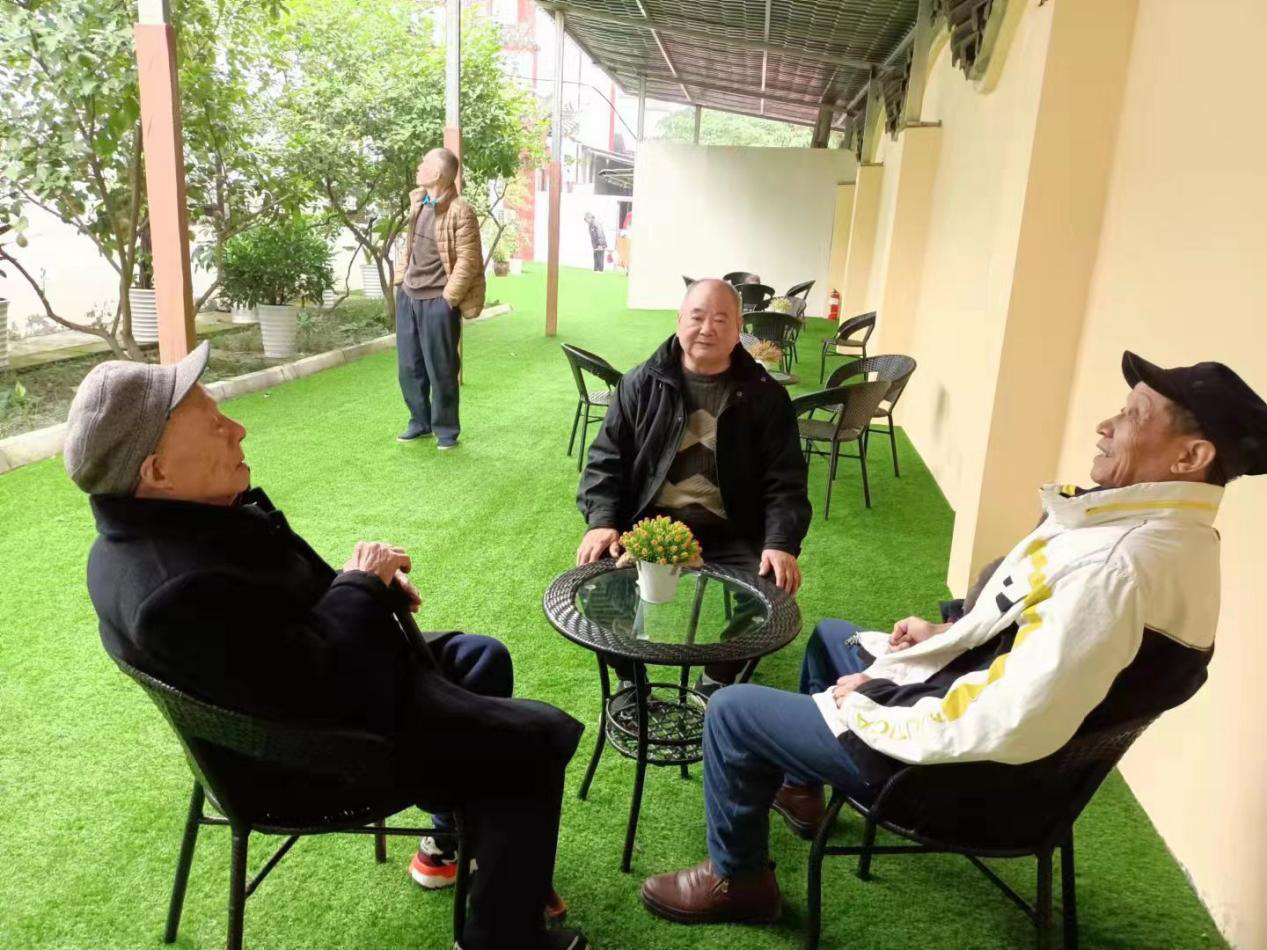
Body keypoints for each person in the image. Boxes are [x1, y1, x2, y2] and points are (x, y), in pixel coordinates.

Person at [639, 350, 1267, 925]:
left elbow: (1015, 714)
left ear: (1191, 457)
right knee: (834, 638)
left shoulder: (1118, 565)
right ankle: (800, 788)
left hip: (960, 784)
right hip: (1021, 767)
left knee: (732, 711)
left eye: (1134, 416)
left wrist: (866, 701)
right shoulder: (1179, 542)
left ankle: (739, 881)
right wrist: (948, 632)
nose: (1107, 425)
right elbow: (1050, 644)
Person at [66, 343, 587, 950]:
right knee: (531, 742)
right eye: (212, 425)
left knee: (481, 658)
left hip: (307, 694)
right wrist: (360, 588)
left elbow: (273, 637)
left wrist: (364, 586)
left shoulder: (158, 530)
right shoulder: (175, 590)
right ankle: (501, 938)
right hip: (312, 754)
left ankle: (459, 842)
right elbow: (317, 679)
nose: (237, 429)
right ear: (157, 472)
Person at [576, 278, 811, 691]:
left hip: (732, 527)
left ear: (738, 329)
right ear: (679, 320)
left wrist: (780, 542)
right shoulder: (640, 384)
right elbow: (605, 461)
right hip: (650, 524)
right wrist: (603, 521)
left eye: (721, 320)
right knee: (596, 583)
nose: (707, 329)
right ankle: (631, 681)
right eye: (697, 317)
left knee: (773, 593)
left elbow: (785, 482)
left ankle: (716, 677)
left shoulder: (766, 397)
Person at [392, 147, 485, 450]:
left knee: (442, 368)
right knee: (409, 366)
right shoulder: (418, 201)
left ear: (436, 174)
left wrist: (449, 298)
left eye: (424, 164)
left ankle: (445, 430)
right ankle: (419, 422)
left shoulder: (461, 210)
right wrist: (400, 280)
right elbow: (410, 247)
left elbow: (469, 260)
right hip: (409, 295)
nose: (419, 167)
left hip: (438, 300)